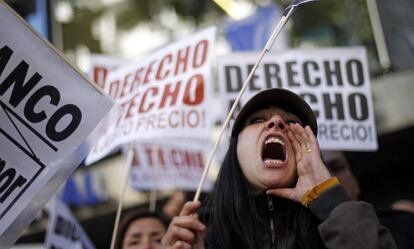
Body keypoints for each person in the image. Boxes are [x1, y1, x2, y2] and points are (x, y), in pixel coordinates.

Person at [161, 88, 396, 249]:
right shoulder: (201, 236)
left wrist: (328, 199)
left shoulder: (344, 223)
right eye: (257, 120)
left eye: (292, 122)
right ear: (235, 150)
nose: (276, 122)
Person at [322, 150, 414, 249]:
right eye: (317, 171)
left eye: (336, 168)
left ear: (354, 181)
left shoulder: (404, 228)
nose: (329, 178)